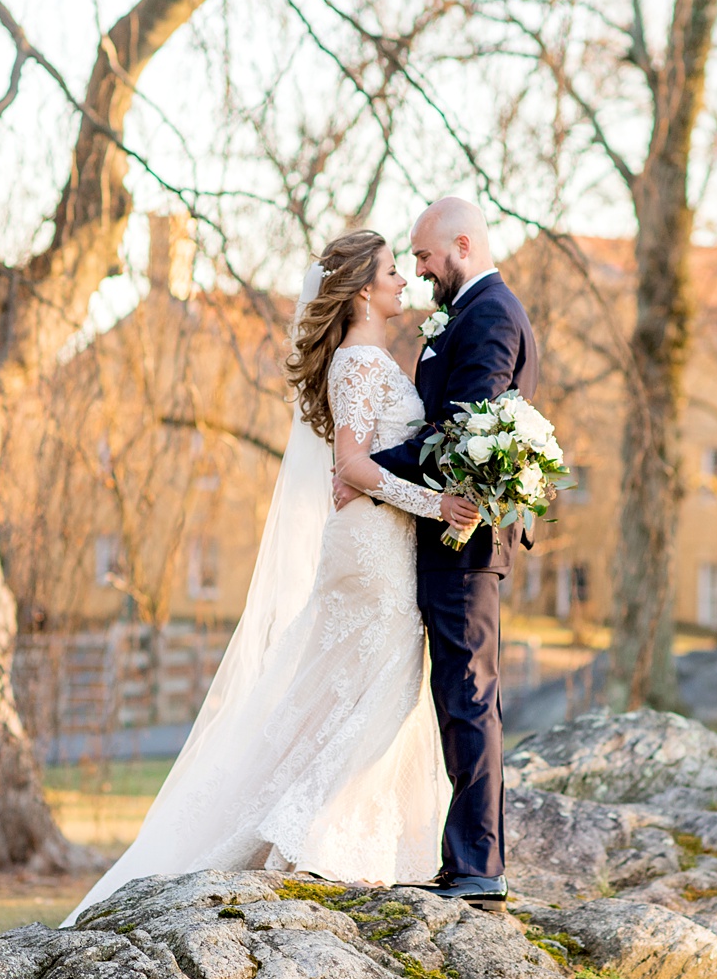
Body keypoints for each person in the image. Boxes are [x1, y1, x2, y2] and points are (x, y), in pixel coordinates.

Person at [64, 228, 480, 924]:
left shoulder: (374, 357)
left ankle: (340, 835)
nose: (402, 280)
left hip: (383, 537)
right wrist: (434, 500)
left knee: (352, 687)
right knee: (375, 682)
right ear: (358, 291)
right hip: (370, 546)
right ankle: (314, 837)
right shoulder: (356, 362)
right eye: (388, 271)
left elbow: (373, 458)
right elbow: (350, 464)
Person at [350, 197, 539, 911]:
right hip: (443, 536)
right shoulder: (464, 313)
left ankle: (478, 866)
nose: (420, 270)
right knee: (458, 695)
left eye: (426, 257)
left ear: (463, 244)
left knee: (468, 697)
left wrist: (368, 470)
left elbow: (461, 436)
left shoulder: (489, 314)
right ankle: (467, 859)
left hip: (464, 539)